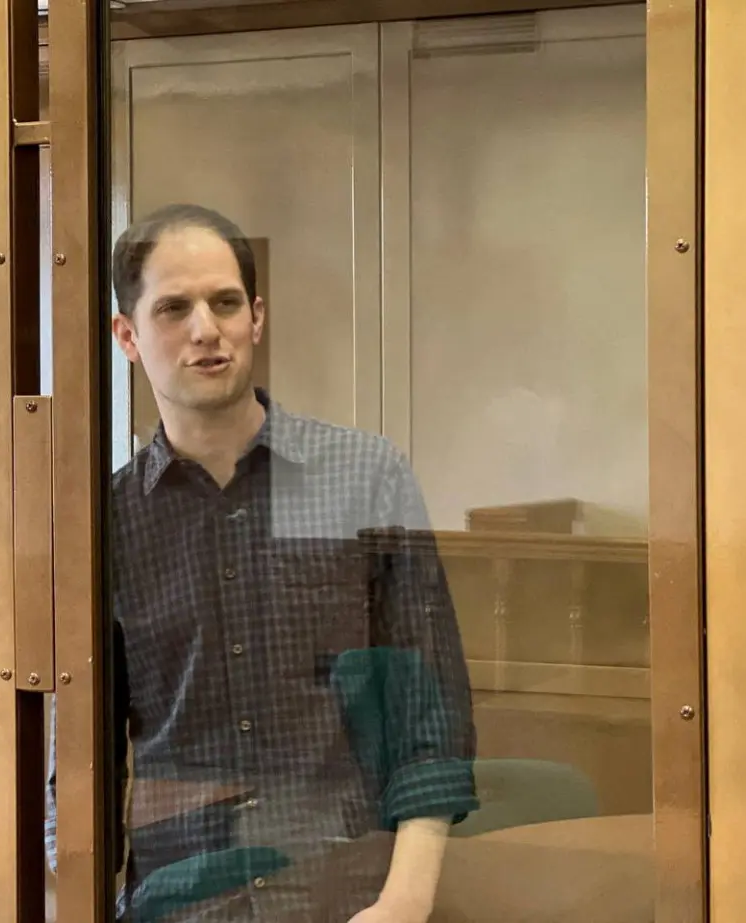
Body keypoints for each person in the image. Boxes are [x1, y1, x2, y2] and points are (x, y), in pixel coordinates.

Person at [47, 203, 477, 923]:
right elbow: (77, 763)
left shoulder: (362, 478)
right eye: (173, 308)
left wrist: (403, 901)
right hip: (179, 899)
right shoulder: (106, 522)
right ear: (127, 335)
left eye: (224, 302)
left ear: (257, 317)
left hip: (347, 893)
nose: (205, 329)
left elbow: (429, 714)